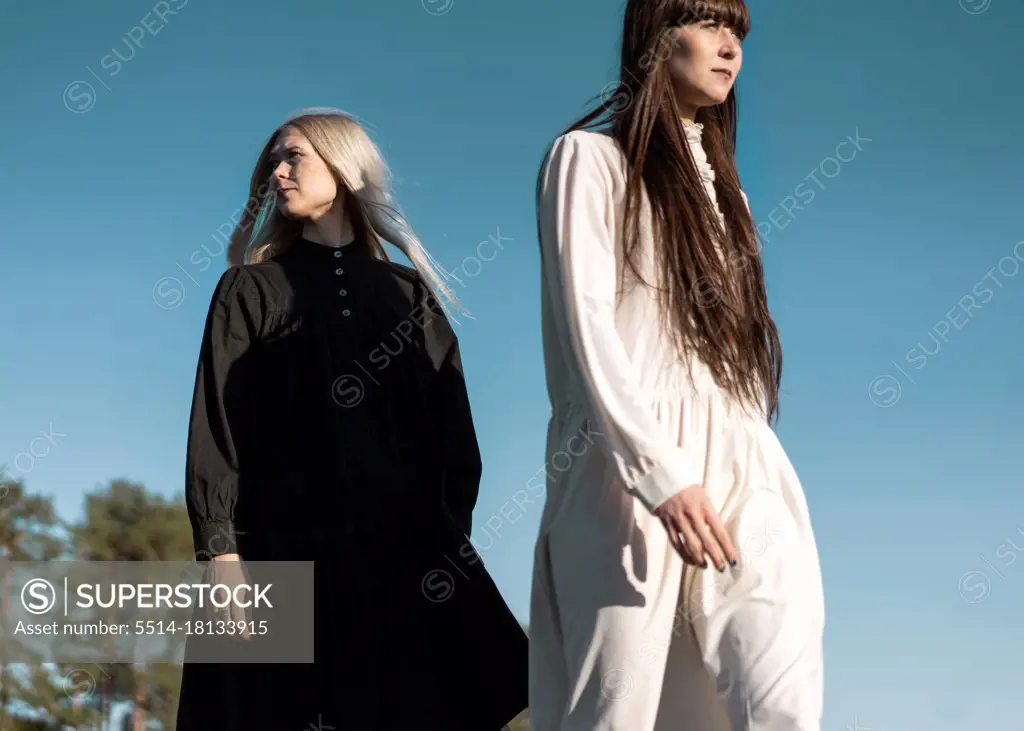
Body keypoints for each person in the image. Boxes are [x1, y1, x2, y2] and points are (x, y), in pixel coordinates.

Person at [176, 108, 528, 730]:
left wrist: (443, 538)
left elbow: (455, 436)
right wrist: (221, 553)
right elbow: (217, 424)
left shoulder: (407, 294)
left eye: (293, 158)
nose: (277, 175)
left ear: (342, 167)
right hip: (277, 555)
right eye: (272, 164)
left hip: (400, 559)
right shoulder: (248, 290)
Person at [530, 1, 825, 729]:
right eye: (709, 25)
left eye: (740, 34)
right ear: (659, 36)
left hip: (743, 457)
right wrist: (657, 472)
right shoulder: (587, 160)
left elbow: (736, 355)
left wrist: (752, 450)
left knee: (781, 693)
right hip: (621, 465)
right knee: (618, 707)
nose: (731, 48)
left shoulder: (735, 200)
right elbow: (586, 325)